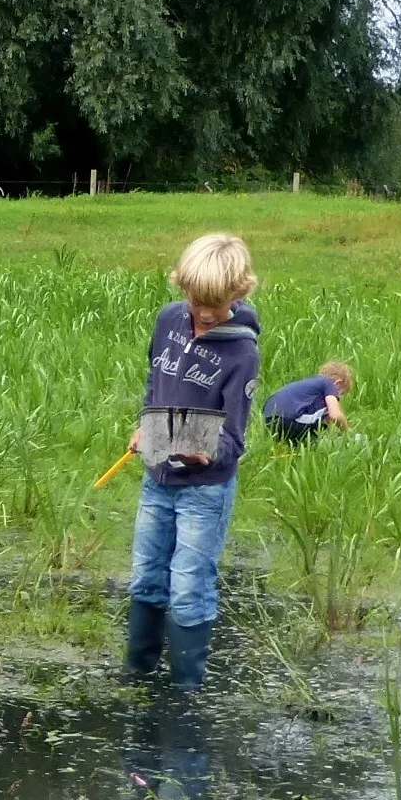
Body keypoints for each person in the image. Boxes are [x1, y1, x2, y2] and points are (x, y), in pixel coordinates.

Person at [122, 234, 262, 688]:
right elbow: (154, 384)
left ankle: (185, 691)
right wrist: (145, 426)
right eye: (195, 299)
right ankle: (137, 675)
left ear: (239, 293)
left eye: (214, 304)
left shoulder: (242, 352)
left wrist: (207, 452)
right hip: (157, 476)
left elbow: (234, 440)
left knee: (187, 590)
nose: (202, 312)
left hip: (205, 488)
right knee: (146, 578)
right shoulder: (168, 321)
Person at [263, 362, 354, 443]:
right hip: (290, 418)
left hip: (268, 419)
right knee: (320, 427)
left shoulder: (306, 386)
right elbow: (335, 415)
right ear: (338, 383)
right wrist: (347, 432)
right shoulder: (329, 384)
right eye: (341, 393)